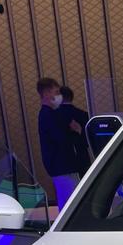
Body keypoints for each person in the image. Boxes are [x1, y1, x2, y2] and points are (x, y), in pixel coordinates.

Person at [36, 77, 84, 208]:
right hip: (62, 165)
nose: (59, 96)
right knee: (70, 201)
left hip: (61, 164)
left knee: (68, 198)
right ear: (46, 94)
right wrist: (75, 131)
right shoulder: (48, 115)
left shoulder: (50, 113)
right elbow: (60, 138)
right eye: (56, 92)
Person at [59, 86, 91, 175]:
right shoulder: (84, 114)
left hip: (63, 159)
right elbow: (88, 139)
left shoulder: (56, 116)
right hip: (83, 157)